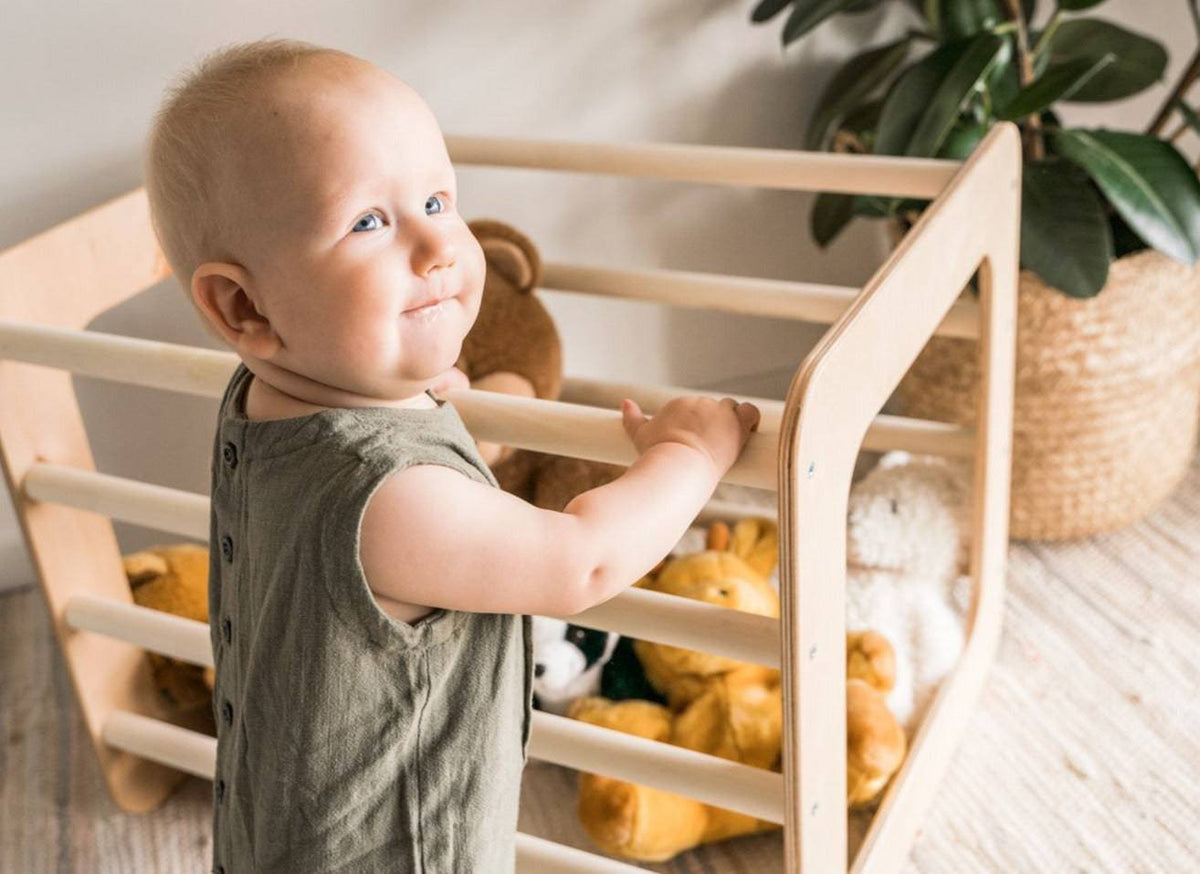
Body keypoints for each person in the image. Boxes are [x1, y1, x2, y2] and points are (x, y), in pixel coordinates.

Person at [143, 37, 760, 873]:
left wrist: (407, 382)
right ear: (244, 305)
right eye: (369, 222)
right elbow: (581, 562)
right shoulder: (388, 496)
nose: (436, 248)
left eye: (439, 200)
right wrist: (687, 451)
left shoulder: (263, 403)